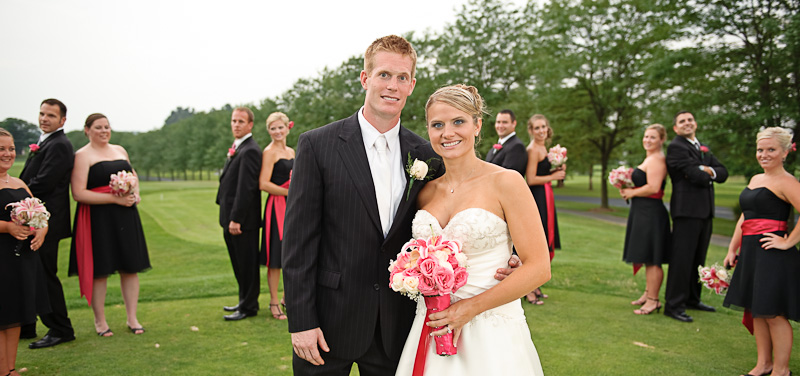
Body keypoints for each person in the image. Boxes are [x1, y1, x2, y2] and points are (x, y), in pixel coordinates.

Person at [282, 36, 519, 375]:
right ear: (365, 78)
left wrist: (509, 255)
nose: (392, 86)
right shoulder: (317, 145)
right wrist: (301, 321)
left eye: (402, 77)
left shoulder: (428, 155)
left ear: (412, 85)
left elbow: (455, 215)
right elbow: (297, 243)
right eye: (384, 75)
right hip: (328, 321)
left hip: (398, 325)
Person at [395, 84, 549, 375]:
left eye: (458, 122)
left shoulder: (506, 182)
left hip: (491, 330)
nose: (447, 133)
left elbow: (540, 267)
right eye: (437, 125)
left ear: (477, 125)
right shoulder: (424, 192)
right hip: (430, 327)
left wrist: (470, 308)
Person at [722, 127, 799, 376]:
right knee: (757, 309)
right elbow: (745, 217)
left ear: (785, 152)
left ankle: (781, 370)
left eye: (771, 150)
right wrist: (733, 248)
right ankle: (763, 364)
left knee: (773, 313)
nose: (764, 154)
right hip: (752, 253)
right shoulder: (755, 179)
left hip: (773, 255)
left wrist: (787, 243)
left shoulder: (788, 182)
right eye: (760, 150)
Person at [69, 113, 150, 336]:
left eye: (106, 127)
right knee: (101, 270)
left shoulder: (120, 150)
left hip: (126, 215)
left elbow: (133, 176)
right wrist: (114, 199)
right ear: (87, 130)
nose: (104, 131)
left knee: (130, 267)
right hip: (98, 218)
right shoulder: (82, 156)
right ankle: (100, 321)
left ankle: (132, 318)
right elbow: (78, 193)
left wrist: (136, 193)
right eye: (98, 127)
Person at [20, 99, 77, 349]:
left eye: (51, 115)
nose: (44, 118)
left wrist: (14, 197)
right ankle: (27, 323)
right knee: (31, 272)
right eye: (42, 113)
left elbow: (43, 183)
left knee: (44, 275)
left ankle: (61, 328)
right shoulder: (45, 142)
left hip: (46, 220)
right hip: (34, 218)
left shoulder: (61, 145)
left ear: (62, 120)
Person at [664, 111, 728, 323]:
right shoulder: (676, 147)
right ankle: (674, 305)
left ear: (696, 124)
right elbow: (697, 176)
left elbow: (723, 173)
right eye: (682, 121)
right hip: (686, 211)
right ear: (675, 128)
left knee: (698, 258)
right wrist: (706, 172)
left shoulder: (702, 147)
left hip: (705, 212)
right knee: (682, 260)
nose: (687, 123)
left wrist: (706, 169)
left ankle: (693, 298)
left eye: (690, 120)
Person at [0, 128, 50, 376]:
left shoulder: (19, 183)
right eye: (1, 149)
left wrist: (42, 230)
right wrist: (7, 227)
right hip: (1, 260)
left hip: (22, 259)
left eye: (10, 148)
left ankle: (10, 369)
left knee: (15, 314)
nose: (7, 154)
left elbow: (40, 213)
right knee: (1, 315)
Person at [619, 124, 671, 315]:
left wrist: (631, 192)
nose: (647, 140)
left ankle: (653, 300)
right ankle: (648, 293)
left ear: (662, 140)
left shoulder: (657, 159)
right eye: (646, 136)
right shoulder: (650, 158)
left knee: (653, 258)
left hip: (651, 213)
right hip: (642, 211)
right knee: (647, 255)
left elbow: (654, 187)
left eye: (653, 137)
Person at [216, 107, 262, 321]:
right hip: (230, 218)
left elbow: (247, 188)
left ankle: (249, 306)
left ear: (250, 124)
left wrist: (236, 218)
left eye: (241, 121)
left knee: (246, 264)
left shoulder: (251, 150)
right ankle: (243, 300)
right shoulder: (238, 147)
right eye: (234, 121)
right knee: (238, 264)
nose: (236, 124)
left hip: (242, 222)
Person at [524, 114, 564, 304]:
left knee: (547, 238)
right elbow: (531, 179)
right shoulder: (532, 150)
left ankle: (536, 285)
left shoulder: (544, 147)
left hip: (546, 195)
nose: (541, 131)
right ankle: (528, 289)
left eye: (544, 127)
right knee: (539, 241)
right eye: (537, 128)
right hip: (538, 197)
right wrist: (554, 177)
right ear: (531, 130)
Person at [259, 112, 294, 320]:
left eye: (280, 127)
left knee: (291, 253)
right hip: (276, 206)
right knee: (275, 257)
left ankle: (286, 298)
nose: (277, 132)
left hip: (292, 206)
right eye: (273, 128)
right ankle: (273, 302)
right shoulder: (269, 152)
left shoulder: (291, 151)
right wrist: (289, 192)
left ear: (287, 128)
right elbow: (263, 183)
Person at [485, 109, 527, 177]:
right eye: (498, 122)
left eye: (504, 122)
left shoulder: (517, 147)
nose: (500, 126)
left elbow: (509, 176)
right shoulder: (496, 146)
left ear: (514, 123)